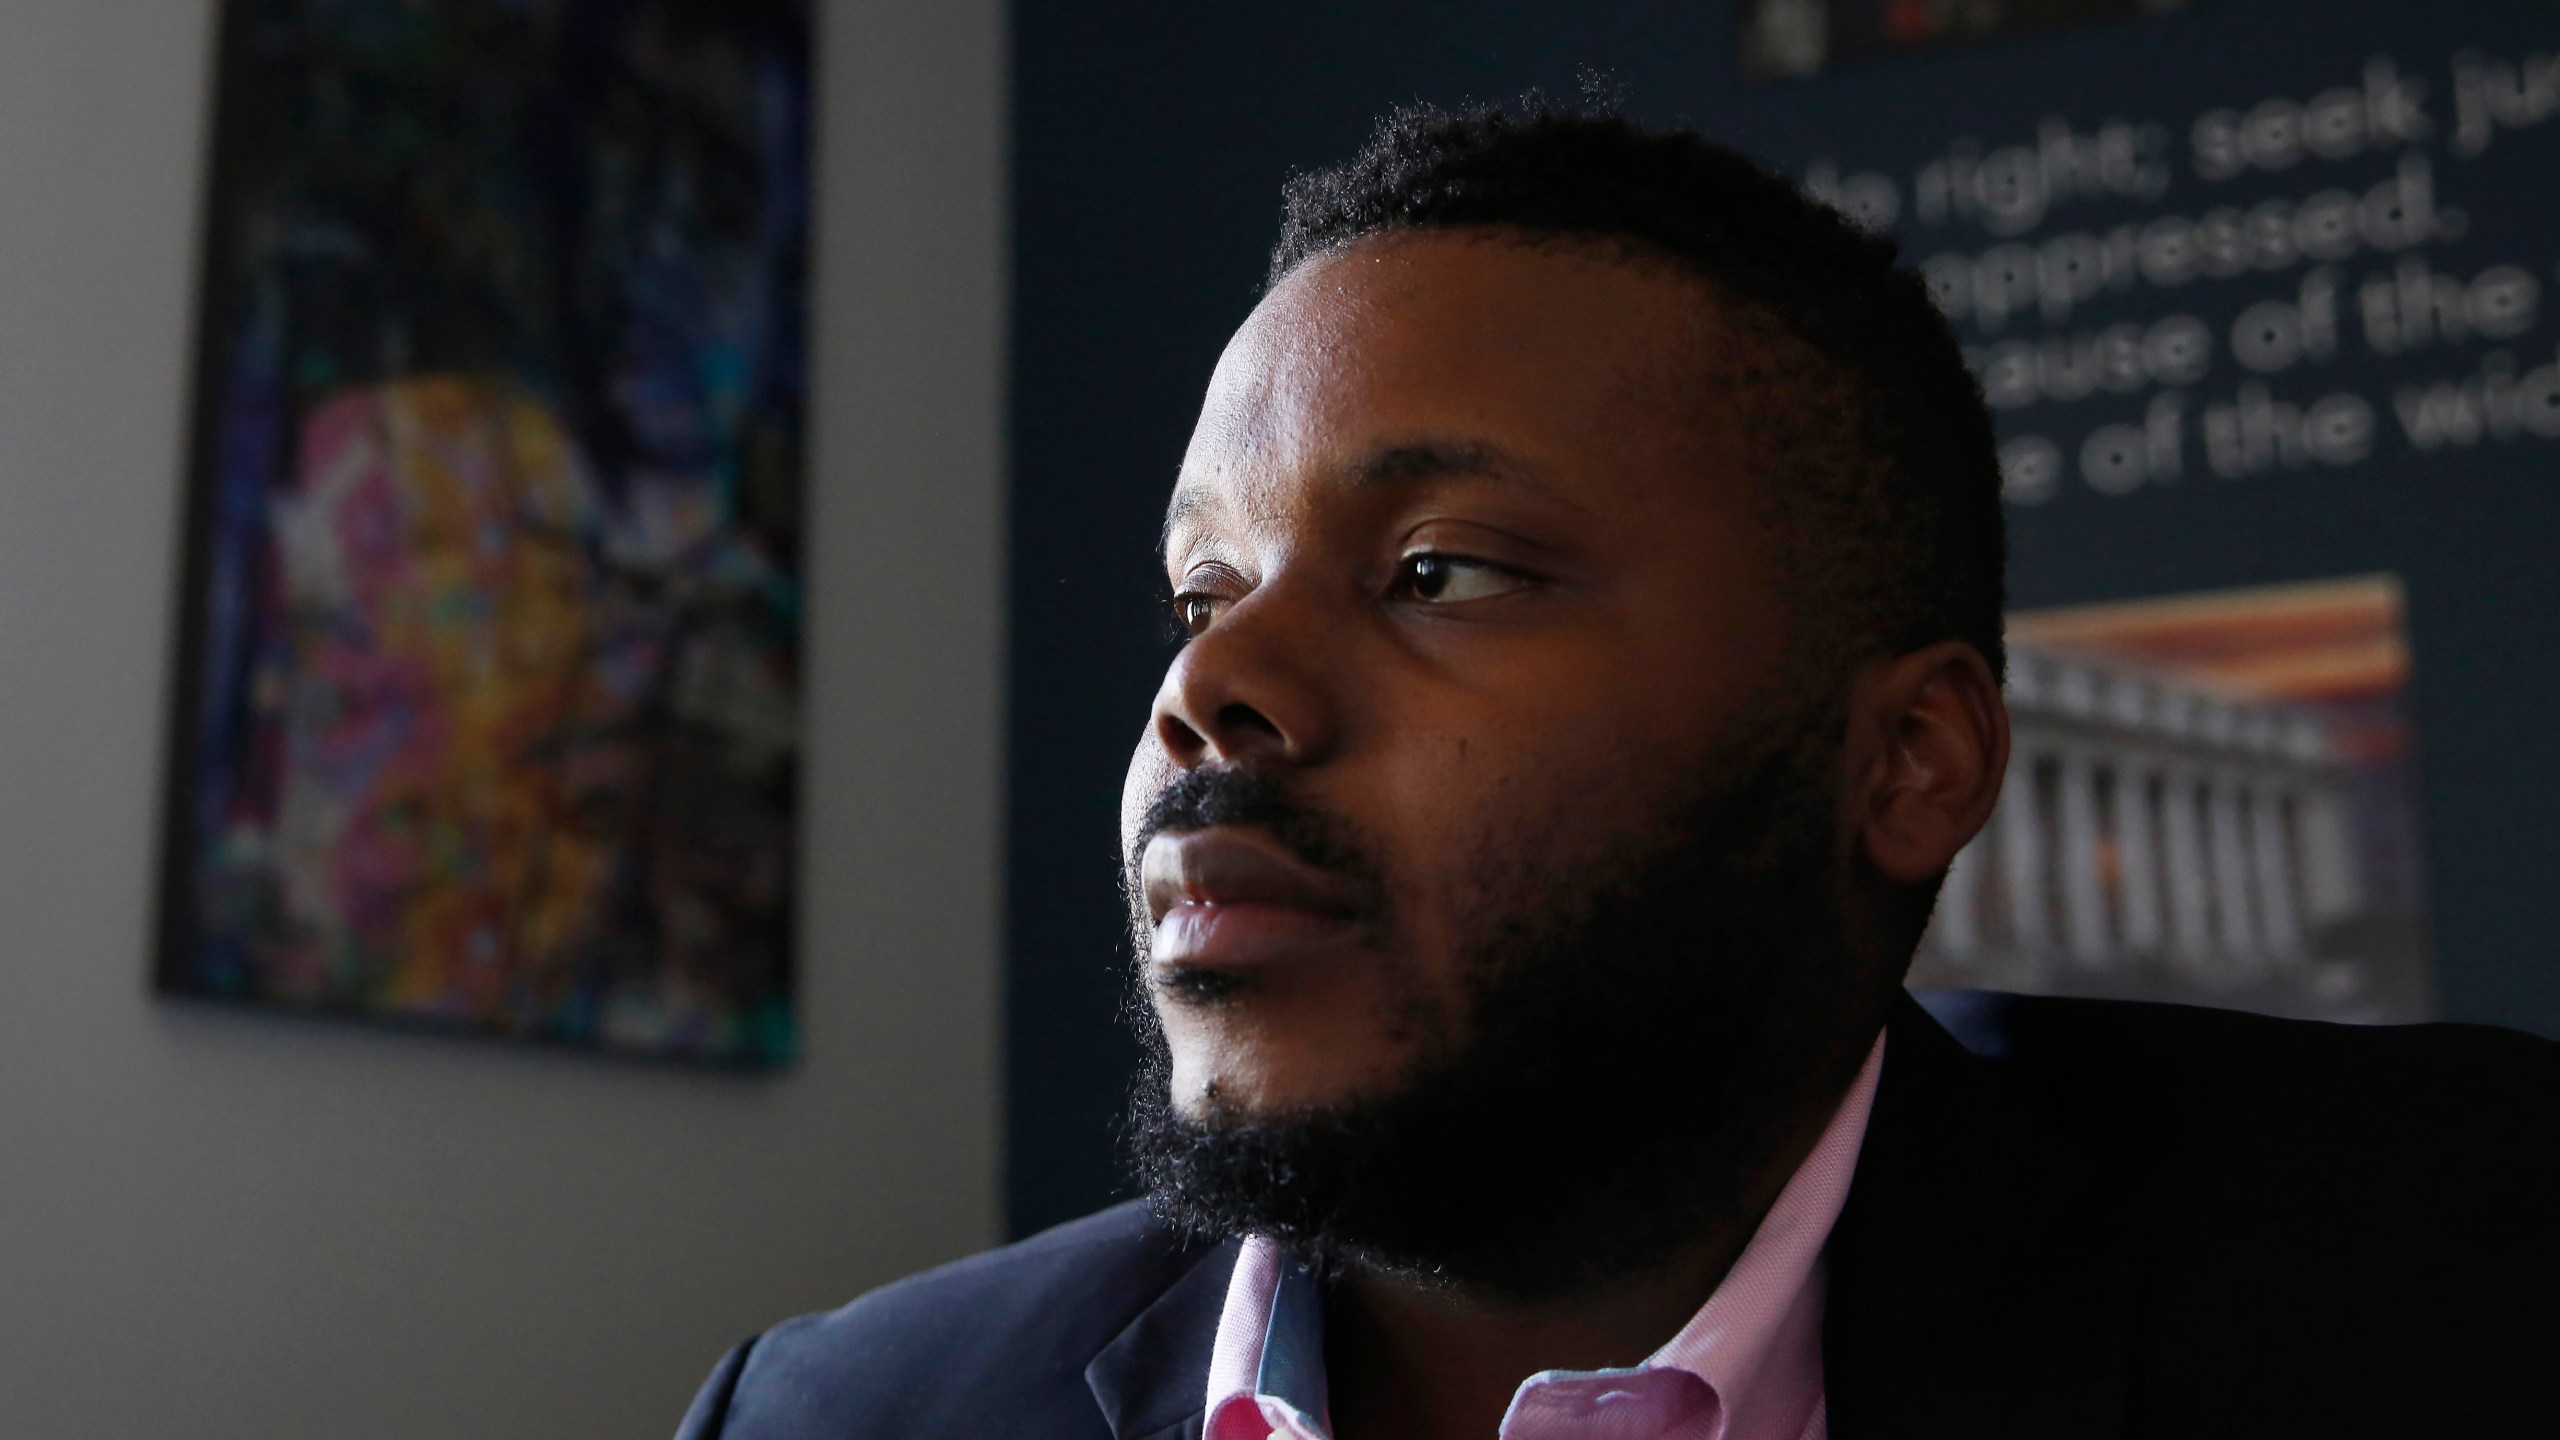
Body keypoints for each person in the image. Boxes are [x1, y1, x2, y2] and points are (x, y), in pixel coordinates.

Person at [676, 102, 2560, 1440]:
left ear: (1905, 763)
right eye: (1200, 590)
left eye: (1442, 573)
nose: (1213, 689)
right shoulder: (843, 1414)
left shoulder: (2451, 1283)